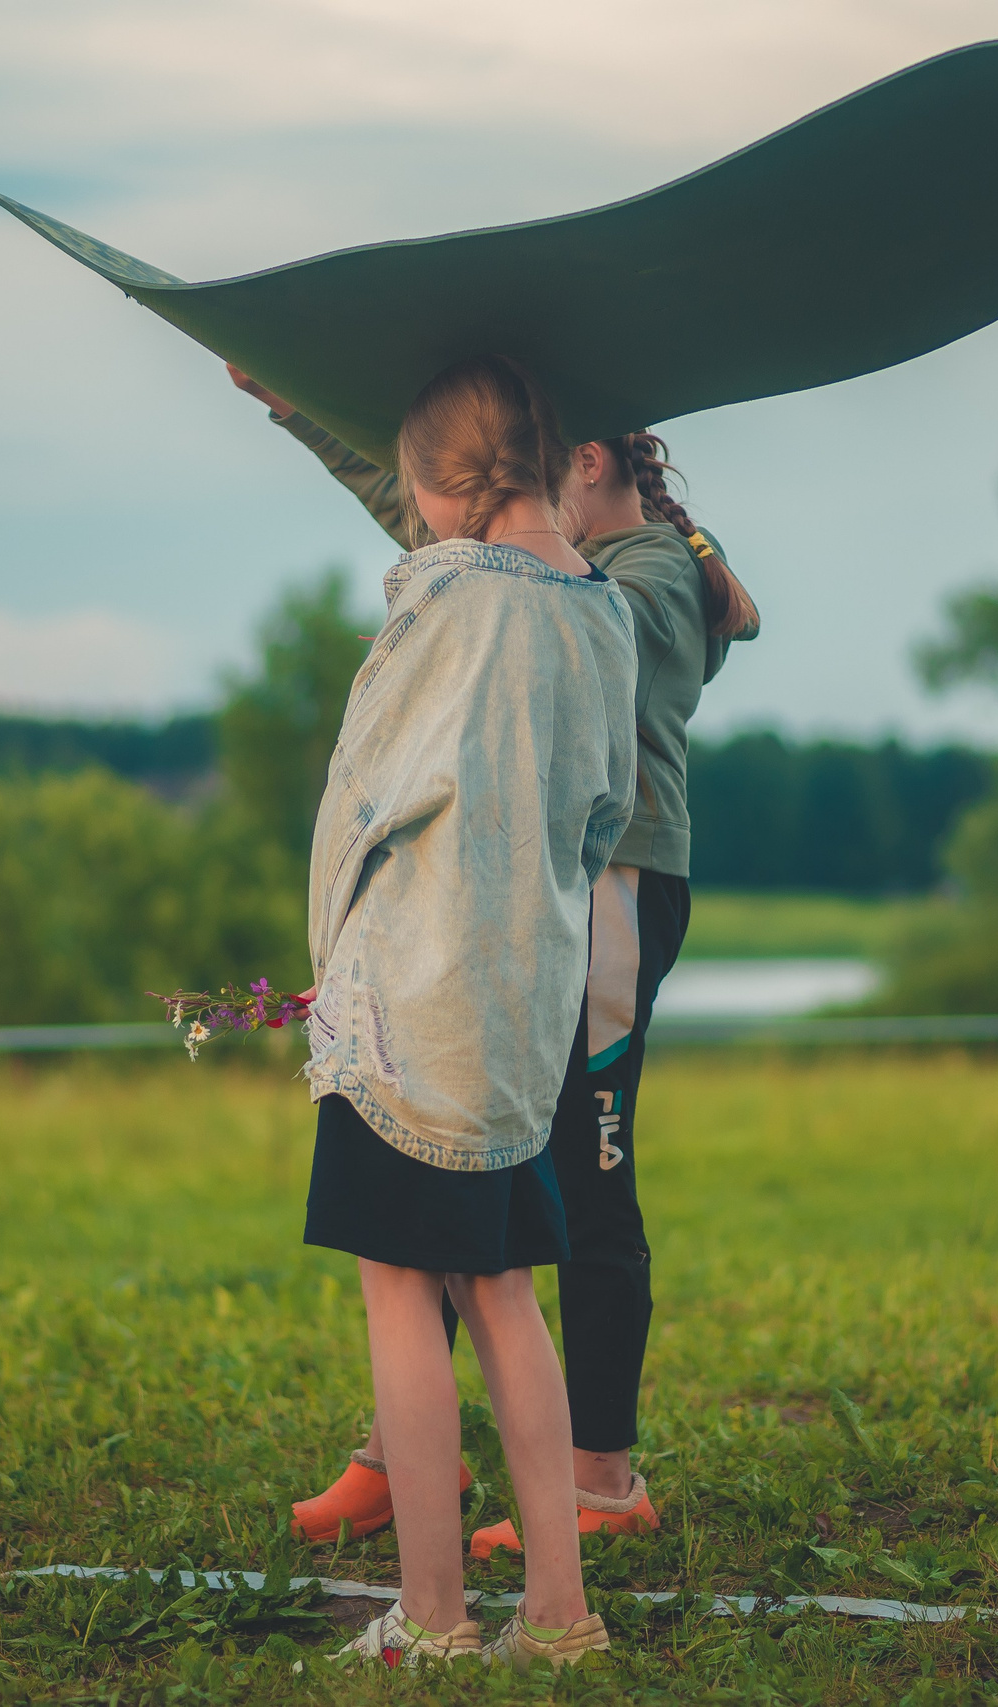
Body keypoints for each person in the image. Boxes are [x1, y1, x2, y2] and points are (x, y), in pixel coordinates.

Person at [232, 367, 760, 1556]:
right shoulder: (536, 555)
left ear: (582, 464)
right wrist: (299, 401)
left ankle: (602, 1478)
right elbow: (435, 516)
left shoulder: (646, 574)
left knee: (584, 1169)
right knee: (468, 1150)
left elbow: (532, 619)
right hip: (531, 888)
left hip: (609, 883)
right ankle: (396, 1450)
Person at [303, 355, 636, 1667]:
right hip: (524, 991)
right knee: (502, 1287)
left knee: (402, 1290)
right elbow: (605, 811)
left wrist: (328, 951)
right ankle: (558, 1610)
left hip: (412, 993)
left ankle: (432, 1614)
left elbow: (367, 789)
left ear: (445, 484)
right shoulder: (602, 607)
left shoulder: (444, 597)